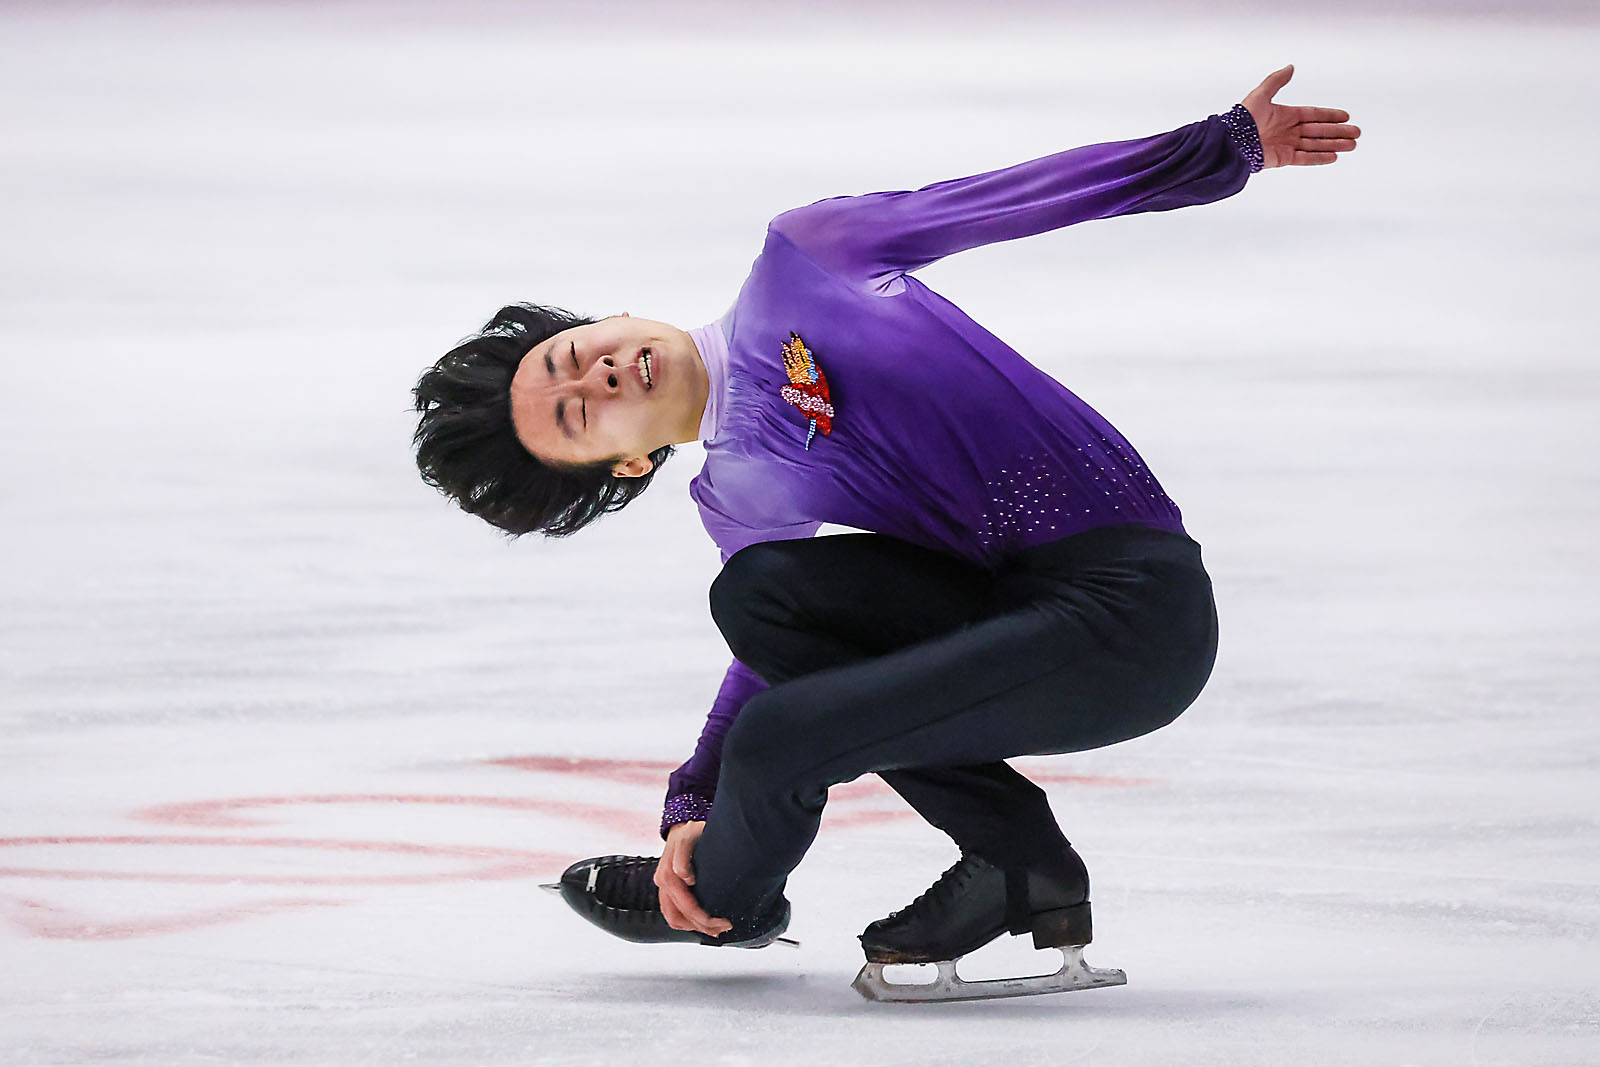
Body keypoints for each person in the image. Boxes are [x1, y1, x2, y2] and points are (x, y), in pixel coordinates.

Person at [412, 64, 1360, 1000]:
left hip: (1131, 615)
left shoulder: (806, 255)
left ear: (611, 316)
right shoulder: (737, 490)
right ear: (623, 467)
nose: (603, 377)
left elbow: (1013, 199)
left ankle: (724, 902)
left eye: (578, 355)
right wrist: (691, 804)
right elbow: (780, 657)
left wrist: (1221, 148)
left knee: (784, 735)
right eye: (578, 415)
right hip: (1016, 609)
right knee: (759, 602)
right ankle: (1001, 860)